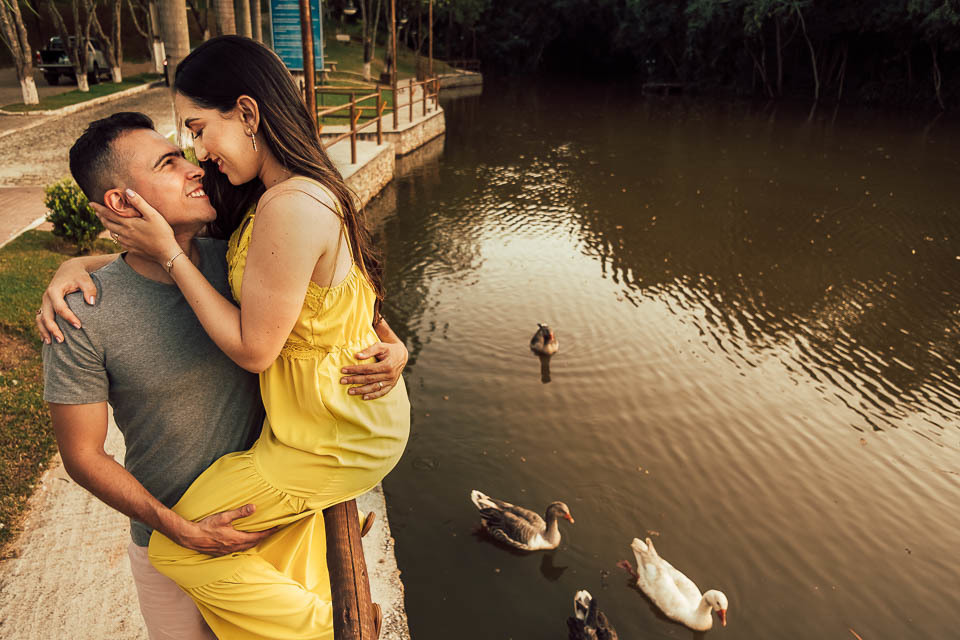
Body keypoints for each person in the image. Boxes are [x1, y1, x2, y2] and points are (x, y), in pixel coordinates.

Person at [39, 112, 408, 640]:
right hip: (169, 542)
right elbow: (83, 455)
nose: (194, 167)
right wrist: (179, 530)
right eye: (169, 163)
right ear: (121, 203)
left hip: (274, 520)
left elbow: (338, 305)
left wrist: (394, 344)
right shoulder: (82, 315)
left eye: (185, 152)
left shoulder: (241, 259)